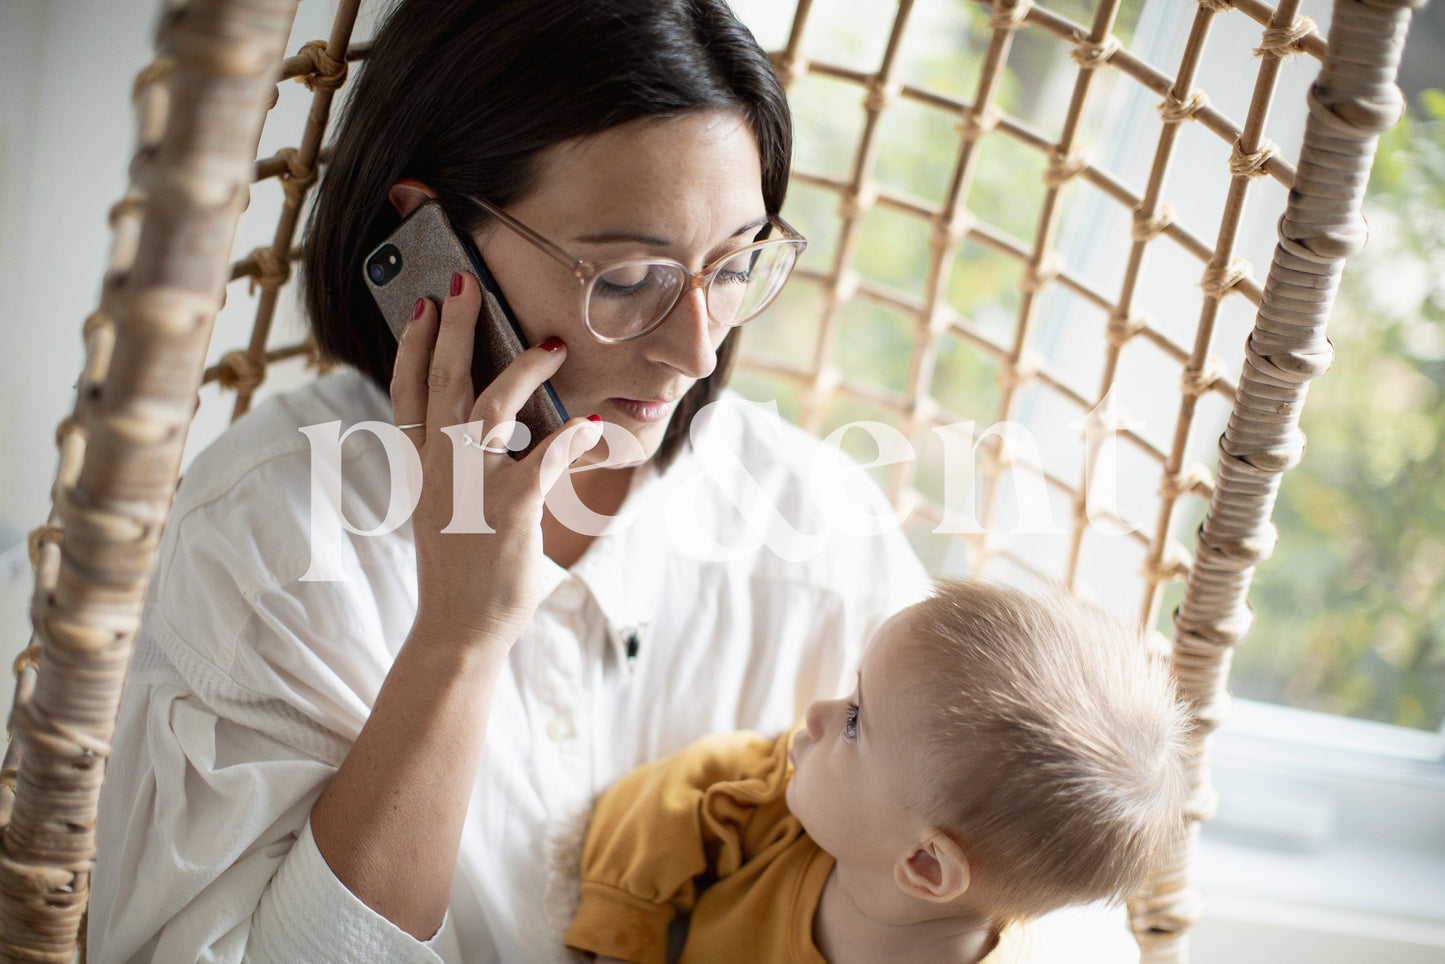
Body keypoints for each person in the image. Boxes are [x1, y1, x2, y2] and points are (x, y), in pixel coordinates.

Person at [88, 1, 929, 962]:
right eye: (625, 279)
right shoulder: (270, 539)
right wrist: (459, 636)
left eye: (733, 266)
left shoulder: (811, 520)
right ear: (433, 238)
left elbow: (1006, 868)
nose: (696, 351)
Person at [563, 579, 1190, 964]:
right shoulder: (778, 805)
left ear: (925, 865)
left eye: (856, 720)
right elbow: (672, 795)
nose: (815, 714)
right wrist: (626, 930)